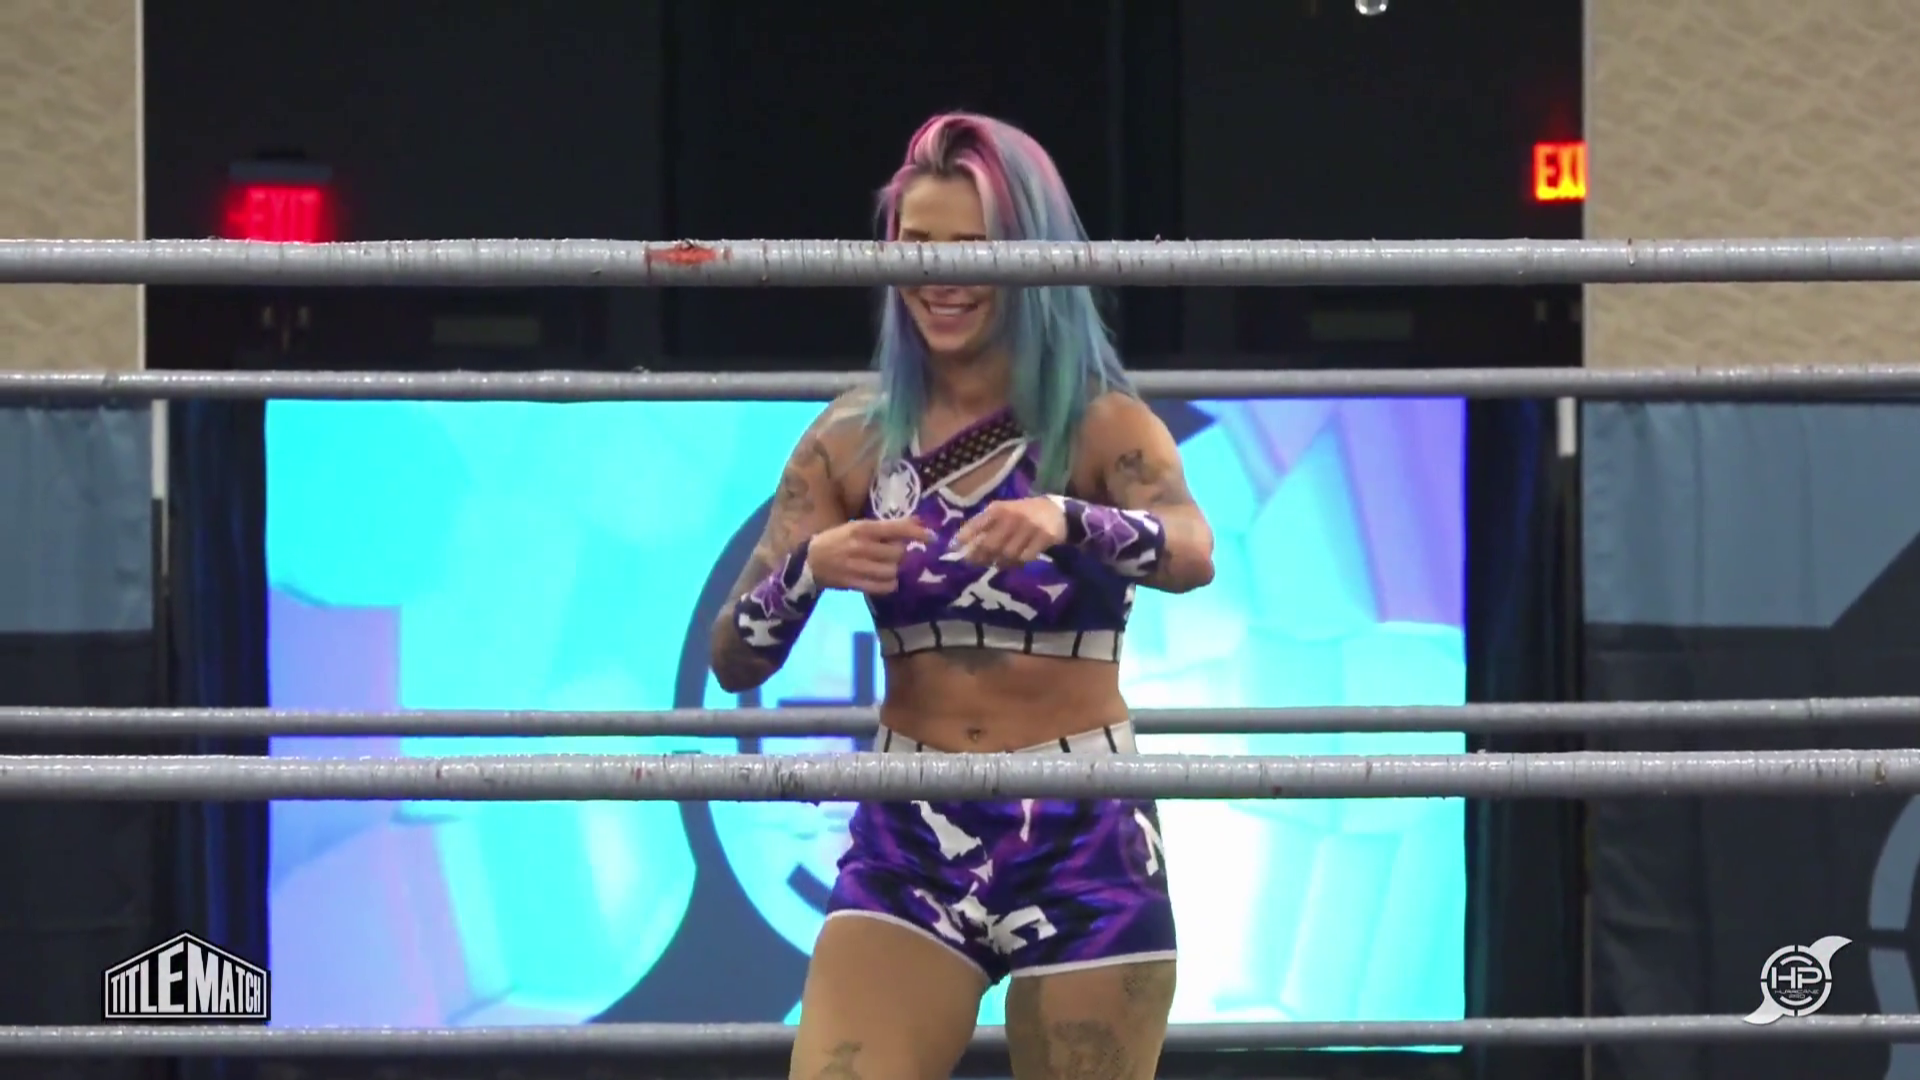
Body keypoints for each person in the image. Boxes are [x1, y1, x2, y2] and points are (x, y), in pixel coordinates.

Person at [709, 110, 1216, 1080]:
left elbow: (1193, 552)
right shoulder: (851, 437)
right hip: (910, 829)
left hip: (1083, 827)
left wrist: (1071, 520)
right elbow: (734, 655)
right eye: (918, 244)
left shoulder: (1101, 425)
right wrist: (811, 568)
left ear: (1028, 256)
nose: (940, 275)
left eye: (971, 246)